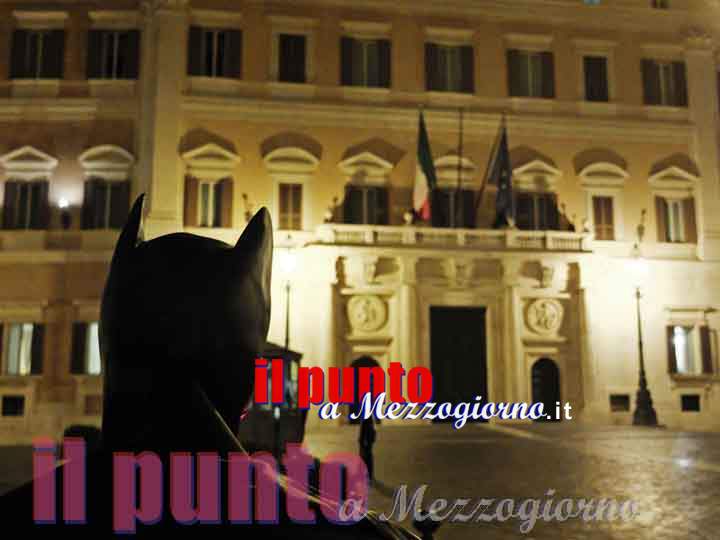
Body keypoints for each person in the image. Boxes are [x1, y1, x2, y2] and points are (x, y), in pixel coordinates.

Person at [358, 416, 377, 482]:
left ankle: (365, 475)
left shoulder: (366, 421)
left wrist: (362, 441)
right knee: (368, 459)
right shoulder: (371, 422)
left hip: (365, 444)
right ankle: (369, 475)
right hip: (367, 444)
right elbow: (373, 432)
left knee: (365, 459)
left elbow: (362, 432)